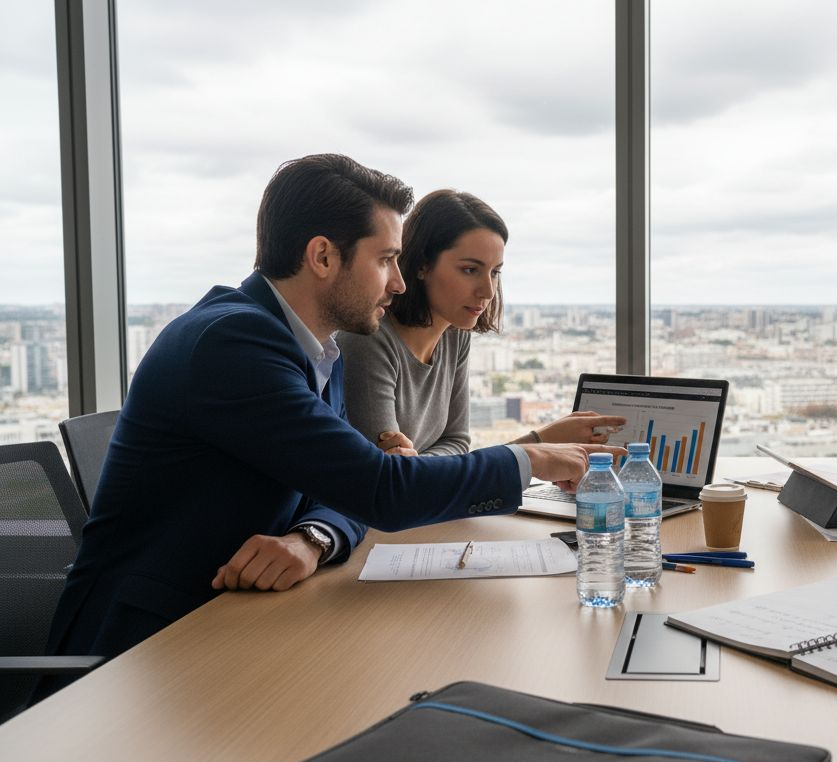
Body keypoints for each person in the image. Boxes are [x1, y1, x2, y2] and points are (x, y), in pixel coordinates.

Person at [40, 155, 605, 677]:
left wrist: (313, 535)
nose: (400, 282)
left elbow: (345, 489)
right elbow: (380, 488)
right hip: (140, 650)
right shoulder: (231, 345)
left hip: (240, 619)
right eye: (386, 260)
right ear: (322, 256)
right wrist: (529, 457)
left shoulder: (316, 349)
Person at [339, 189, 625, 458]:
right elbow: (392, 481)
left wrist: (421, 467)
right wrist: (538, 443)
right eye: (470, 270)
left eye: (495, 272)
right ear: (422, 265)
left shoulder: (454, 335)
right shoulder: (368, 342)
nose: (487, 291)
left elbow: (456, 443)